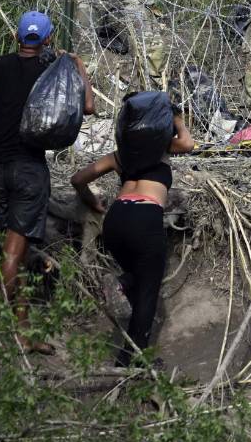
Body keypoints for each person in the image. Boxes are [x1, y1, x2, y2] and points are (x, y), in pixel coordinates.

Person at [0, 11, 95, 354]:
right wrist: (78, 66)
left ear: (16, 36)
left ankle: (22, 331)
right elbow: (88, 106)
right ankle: (8, 332)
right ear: (49, 39)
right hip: (28, 170)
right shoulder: (55, 69)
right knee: (13, 255)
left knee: (16, 253)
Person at [70, 93, 195, 366]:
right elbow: (187, 142)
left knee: (138, 283)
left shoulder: (119, 156)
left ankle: (122, 284)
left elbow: (77, 178)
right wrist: (175, 115)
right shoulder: (162, 148)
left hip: (116, 220)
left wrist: (91, 199)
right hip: (145, 218)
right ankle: (134, 364)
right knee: (148, 294)